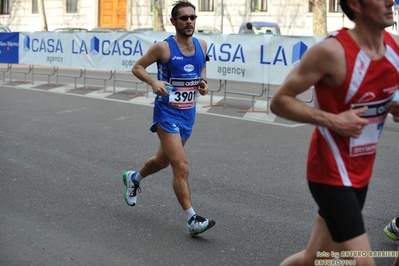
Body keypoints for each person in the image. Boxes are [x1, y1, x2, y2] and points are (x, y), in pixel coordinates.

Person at [270, 0, 399, 265]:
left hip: (361, 171)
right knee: (363, 261)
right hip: (330, 173)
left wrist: (393, 106)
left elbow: (379, 97)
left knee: (314, 258)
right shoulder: (332, 51)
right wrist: (334, 120)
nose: (390, 1)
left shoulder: (395, 48)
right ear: (356, 5)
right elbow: (280, 101)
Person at [124, 0, 215, 237]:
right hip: (167, 113)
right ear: (173, 21)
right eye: (184, 18)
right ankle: (192, 219)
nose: (189, 22)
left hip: (188, 114)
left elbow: (202, 67)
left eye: (192, 17)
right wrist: (153, 82)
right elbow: (137, 67)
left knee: (162, 162)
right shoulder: (163, 48)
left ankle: (134, 178)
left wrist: (203, 83)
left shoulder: (202, 44)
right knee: (181, 167)